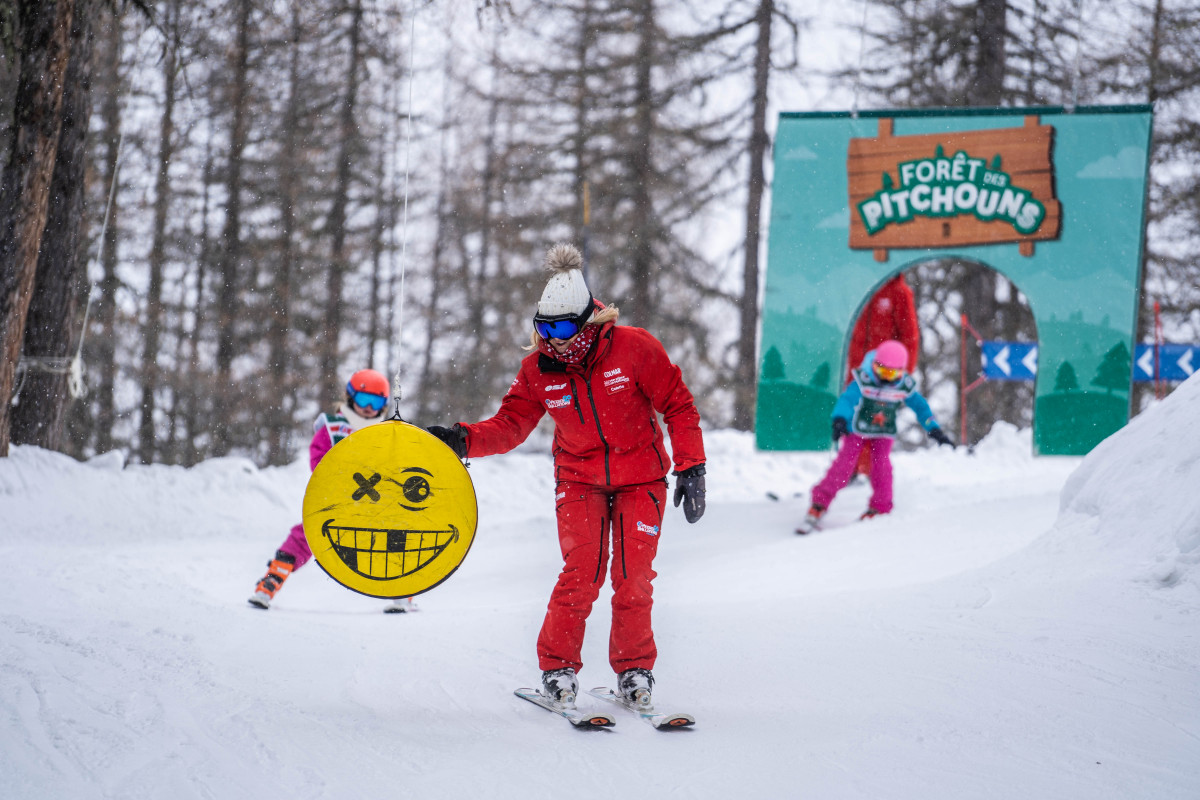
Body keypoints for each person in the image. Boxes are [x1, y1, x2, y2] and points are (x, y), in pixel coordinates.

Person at [427, 243, 706, 709]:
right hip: (578, 480)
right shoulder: (538, 370)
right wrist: (461, 439)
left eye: (561, 328)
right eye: (543, 328)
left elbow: (678, 404)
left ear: (586, 320)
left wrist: (692, 466)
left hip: (643, 478)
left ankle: (634, 670)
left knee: (633, 577)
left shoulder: (634, 349)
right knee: (582, 573)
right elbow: (509, 425)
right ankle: (558, 670)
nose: (552, 339)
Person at [248, 368, 417, 613]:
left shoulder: (390, 430)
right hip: (340, 497)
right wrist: (343, 479)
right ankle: (271, 581)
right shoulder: (333, 427)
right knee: (306, 533)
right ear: (350, 398)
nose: (369, 407)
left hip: (379, 500)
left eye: (376, 401)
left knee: (395, 534)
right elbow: (318, 460)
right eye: (363, 399)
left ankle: (404, 590)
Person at [801, 340, 953, 532]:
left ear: (901, 372)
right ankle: (819, 503)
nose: (886, 379)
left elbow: (921, 407)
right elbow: (848, 399)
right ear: (875, 366)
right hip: (856, 429)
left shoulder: (903, 385)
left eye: (892, 374)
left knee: (881, 466)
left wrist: (934, 429)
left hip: (883, 432)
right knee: (844, 465)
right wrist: (839, 419)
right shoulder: (864, 380)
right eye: (882, 372)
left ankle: (880, 507)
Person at [847, 273, 920, 479]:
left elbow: (910, 337)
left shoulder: (899, 292)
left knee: (875, 423)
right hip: (855, 369)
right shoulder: (859, 286)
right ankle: (851, 468)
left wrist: (903, 375)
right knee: (851, 417)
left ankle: (870, 473)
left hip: (884, 374)